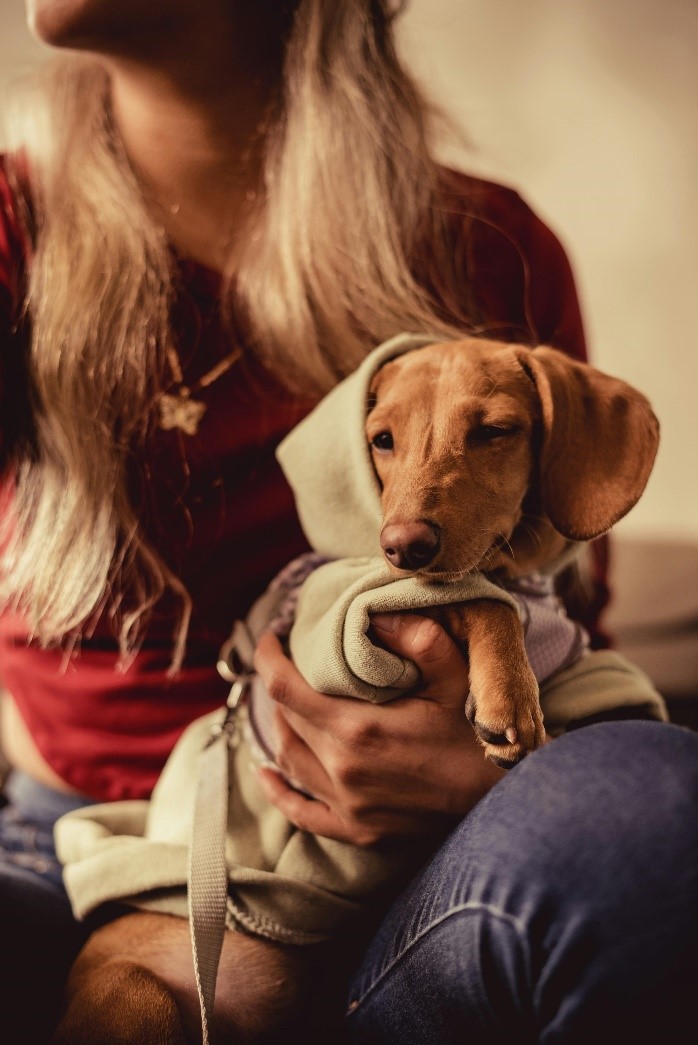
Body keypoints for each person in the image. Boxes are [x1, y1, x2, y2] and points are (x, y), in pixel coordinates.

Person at [0, 1, 695, 1041]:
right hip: (104, 858)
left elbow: (555, 596)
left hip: (439, 867)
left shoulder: (490, 249)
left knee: (655, 809)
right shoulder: (18, 232)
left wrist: (481, 772)